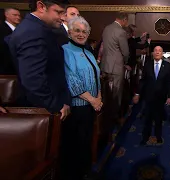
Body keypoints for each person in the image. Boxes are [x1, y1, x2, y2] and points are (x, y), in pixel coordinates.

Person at [8, 0, 71, 119]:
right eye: (58, 12)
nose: (63, 18)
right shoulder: (32, 32)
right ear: (41, 6)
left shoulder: (38, 29)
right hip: (43, 110)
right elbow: (32, 78)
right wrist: (55, 105)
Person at [61, 16, 102, 180]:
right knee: (76, 145)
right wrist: (93, 100)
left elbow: (97, 76)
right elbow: (72, 81)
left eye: (84, 32)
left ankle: (86, 171)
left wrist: (99, 97)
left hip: (91, 106)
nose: (81, 34)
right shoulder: (65, 50)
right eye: (77, 30)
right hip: (77, 107)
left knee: (87, 142)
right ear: (69, 32)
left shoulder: (88, 51)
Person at [133, 46, 170, 145]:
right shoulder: (147, 65)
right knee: (148, 118)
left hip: (161, 96)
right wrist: (137, 93)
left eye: (160, 51)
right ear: (153, 53)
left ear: (162, 53)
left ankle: (158, 137)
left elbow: (169, 83)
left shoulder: (167, 66)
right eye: (155, 50)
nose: (157, 52)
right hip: (148, 96)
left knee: (159, 118)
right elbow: (143, 81)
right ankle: (145, 137)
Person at [100, 11, 129, 120]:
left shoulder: (106, 28)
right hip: (116, 67)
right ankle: (115, 119)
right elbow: (125, 52)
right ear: (124, 20)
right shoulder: (121, 31)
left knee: (105, 94)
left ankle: (104, 117)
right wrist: (125, 62)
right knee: (116, 95)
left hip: (105, 66)